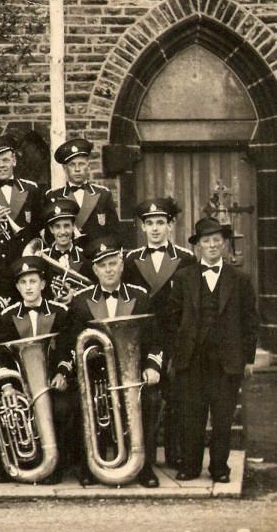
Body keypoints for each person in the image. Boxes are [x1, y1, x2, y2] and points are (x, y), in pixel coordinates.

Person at [167, 218, 260, 483]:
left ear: (225, 244)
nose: (212, 245)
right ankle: (191, 466)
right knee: (191, 416)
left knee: (222, 418)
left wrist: (249, 359)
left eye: (217, 240)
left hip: (226, 360)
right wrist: (178, 351)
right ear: (198, 246)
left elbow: (250, 321)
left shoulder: (239, 279)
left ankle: (219, 468)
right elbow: (172, 318)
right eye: (206, 241)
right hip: (192, 359)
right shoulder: (184, 277)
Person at [68, 235, 163, 488]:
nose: (109, 270)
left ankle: (144, 466)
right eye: (103, 265)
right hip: (97, 374)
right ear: (95, 270)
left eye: (113, 263)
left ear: (122, 265)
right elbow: (72, 343)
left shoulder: (141, 296)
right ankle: (91, 465)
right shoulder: (80, 301)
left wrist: (152, 366)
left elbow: (155, 340)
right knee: (83, 403)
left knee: (151, 401)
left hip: (133, 376)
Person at [124, 197, 195, 468]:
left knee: (177, 394)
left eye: (160, 223)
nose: (155, 228)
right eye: (149, 223)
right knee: (144, 397)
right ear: (142, 227)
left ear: (170, 225)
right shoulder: (129, 260)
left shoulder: (186, 258)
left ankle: (175, 452)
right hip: (141, 340)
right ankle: (145, 455)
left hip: (175, 337)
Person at [0, 256, 76, 485]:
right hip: (20, 384)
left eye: (33, 281)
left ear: (43, 284)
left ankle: (55, 465)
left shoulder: (60, 311)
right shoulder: (7, 316)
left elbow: (68, 349)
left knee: (62, 408)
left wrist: (62, 373)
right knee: (6, 410)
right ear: (18, 287)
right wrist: (7, 385)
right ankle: (15, 464)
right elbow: (0, 354)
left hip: (51, 381)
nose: (28, 287)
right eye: (23, 282)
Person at [0, 135, 43, 262]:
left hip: (24, 256)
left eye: (5, 160)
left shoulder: (31, 189)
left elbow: (38, 227)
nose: (1, 165)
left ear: (14, 161)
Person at [44, 139, 120, 245]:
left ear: (88, 166)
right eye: (72, 165)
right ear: (65, 168)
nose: (77, 169)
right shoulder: (53, 196)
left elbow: (115, 233)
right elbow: (50, 236)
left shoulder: (103, 194)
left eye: (81, 164)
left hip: (97, 257)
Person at [39, 199, 89, 303]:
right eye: (57, 227)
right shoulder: (42, 258)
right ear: (51, 230)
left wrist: (74, 295)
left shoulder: (85, 256)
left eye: (66, 226)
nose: (62, 232)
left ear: (73, 227)